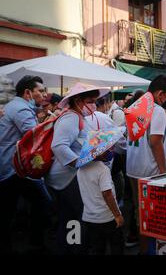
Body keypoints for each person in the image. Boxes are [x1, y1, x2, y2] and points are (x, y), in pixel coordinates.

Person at [45, 82, 109, 255]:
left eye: (95, 100)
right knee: (80, 218)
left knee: (69, 218)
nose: (94, 105)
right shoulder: (71, 118)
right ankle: (76, 249)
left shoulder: (77, 117)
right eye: (90, 100)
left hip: (66, 178)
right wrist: (81, 163)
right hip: (68, 178)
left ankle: (66, 249)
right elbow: (58, 146)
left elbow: (79, 144)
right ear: (79, 100)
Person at [0, 75, 51, 254]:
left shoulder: (14, 105)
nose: (44, 95)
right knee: (42, 200)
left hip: (8, 165)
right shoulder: (21, 109)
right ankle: (35, 244)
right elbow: (35, 138)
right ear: (28, 92)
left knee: (8, 208)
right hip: (14, 167)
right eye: (41, 91)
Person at [126, 75, 166, 254]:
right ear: (160, 94)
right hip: (150, 171)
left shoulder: (134, 107)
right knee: (151, 217)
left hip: (133, 168)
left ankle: (143, 249)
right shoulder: (157, 110)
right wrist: (164, 172)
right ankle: (147, 251)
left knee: (141, 214)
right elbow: (155, 142)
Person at [77, 144, 124, 255]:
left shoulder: (80, 169)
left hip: (90, 218)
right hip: (107, 218)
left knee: (97, 248)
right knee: (116, 245)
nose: (110, 150)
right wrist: (117, 215)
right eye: (106, 148)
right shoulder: (102, 169)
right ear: (97, 152)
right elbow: (107, 193)